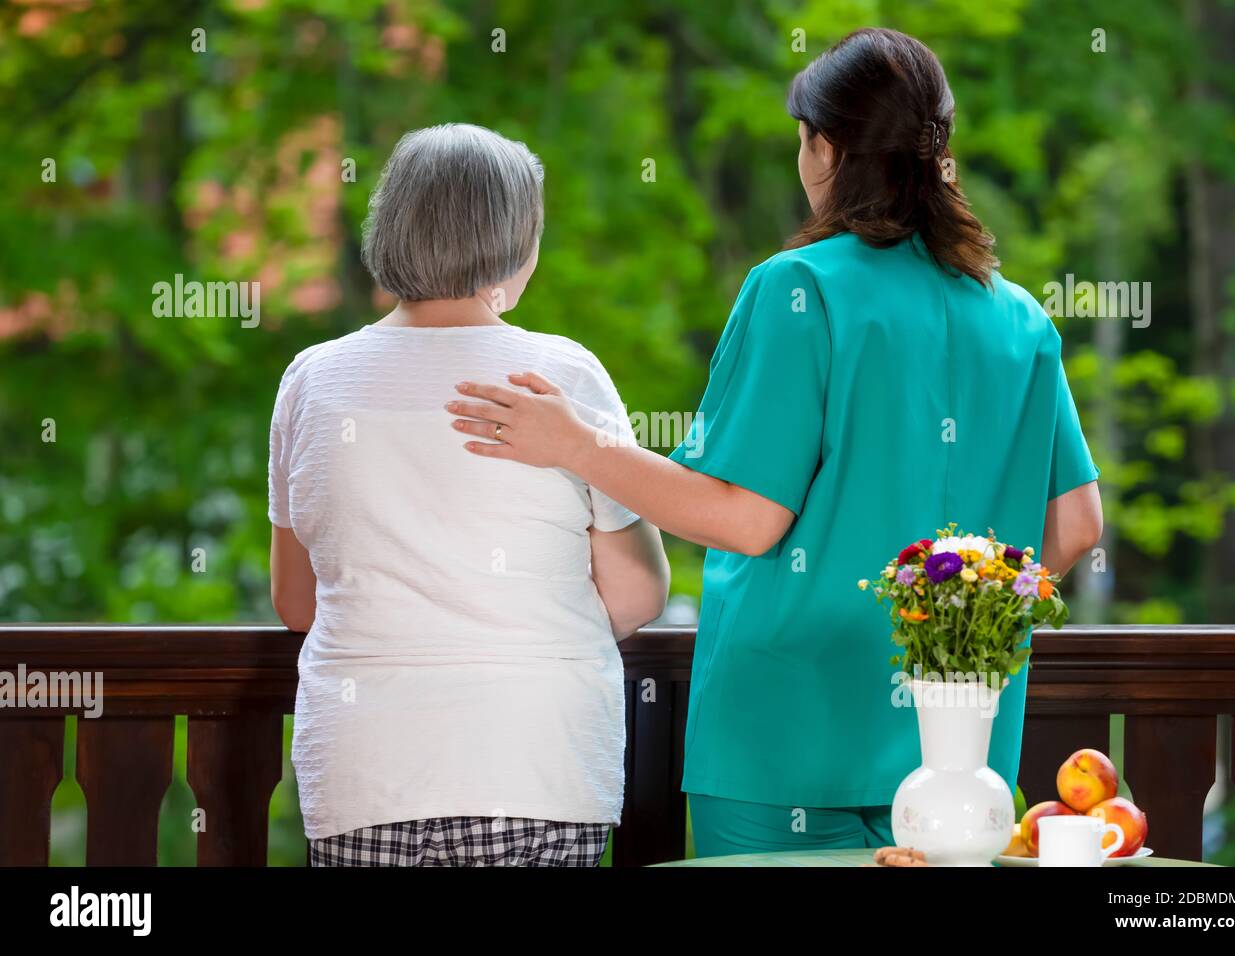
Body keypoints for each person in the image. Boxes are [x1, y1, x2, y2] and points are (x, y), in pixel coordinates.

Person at [445, 29, 1103, 859]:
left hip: (784, 738)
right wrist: (953, 618)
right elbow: (1076, 528)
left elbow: (749, 519)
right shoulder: (1021, 319)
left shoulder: (798, 290)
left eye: (802, 138)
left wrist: (576, 445)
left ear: (825, 147)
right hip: (956, 759)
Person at [268, 124, 670, 866]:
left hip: (363, 772)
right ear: (518, 245)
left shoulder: (313, 382)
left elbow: (297, 602)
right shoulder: (563, 377)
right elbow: (640, 592)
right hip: (535, 761)